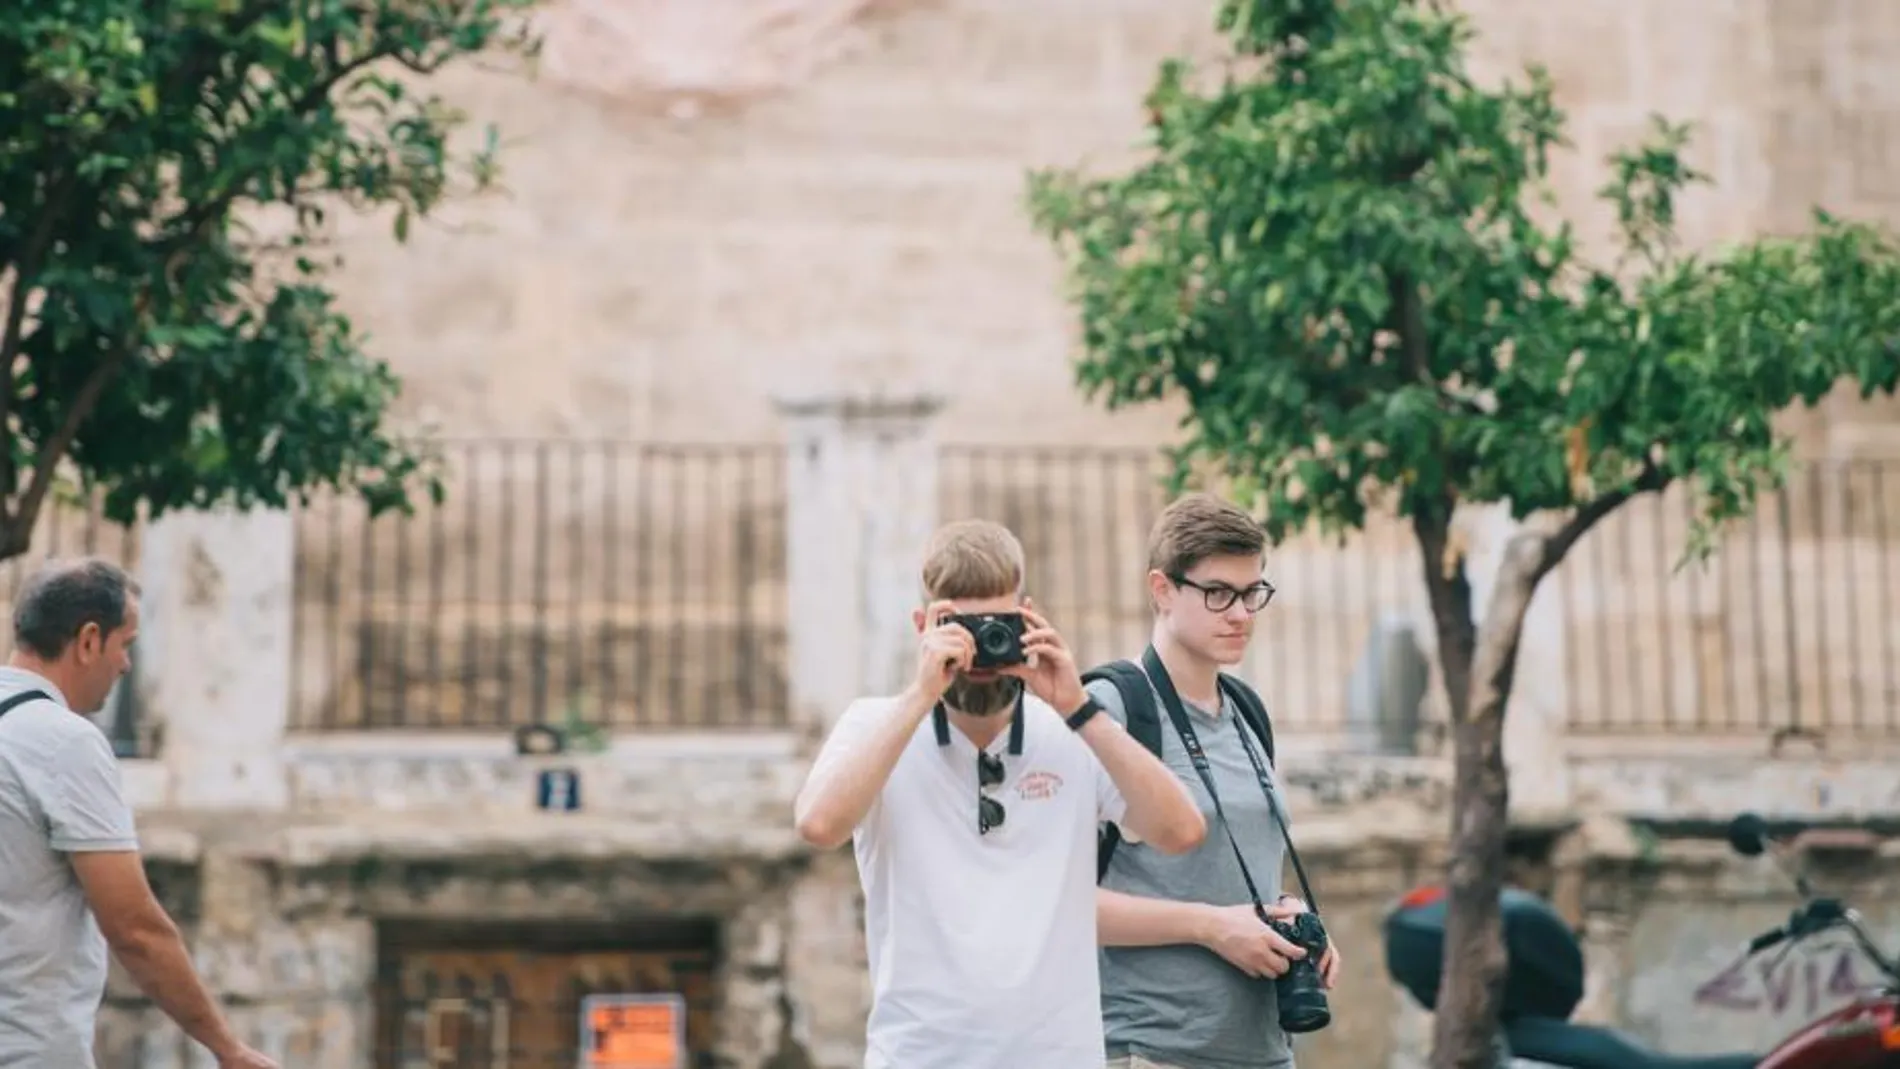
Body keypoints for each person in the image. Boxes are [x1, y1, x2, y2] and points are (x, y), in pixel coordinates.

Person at [793, 519, 1206, 1069]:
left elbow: (1181, 832)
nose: (982, 649)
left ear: (1028, 616)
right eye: (960, 625)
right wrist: (921, 693)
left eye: (999, 624)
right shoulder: (876, 725)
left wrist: (1076, 707)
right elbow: (819, 825)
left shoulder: (1074, 732)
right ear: (923, 625)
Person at [1089, 494, 1342, 1069]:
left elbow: (1229, 867)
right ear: (1162, 590)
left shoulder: (1247, 709)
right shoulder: (1114, 709)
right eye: (1218, 593)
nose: (1241, 614)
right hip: (1154, 1049)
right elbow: (1056, 903)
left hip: (1265, 1049)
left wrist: (1287, 915)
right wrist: (1209, 927)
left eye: (1253, 593)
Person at [0, 557, 278, 1069]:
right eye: (124, 645)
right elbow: (134, 928)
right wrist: (227, 1049)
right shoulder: (64, 743)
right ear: (88, 641)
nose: (126, 665)